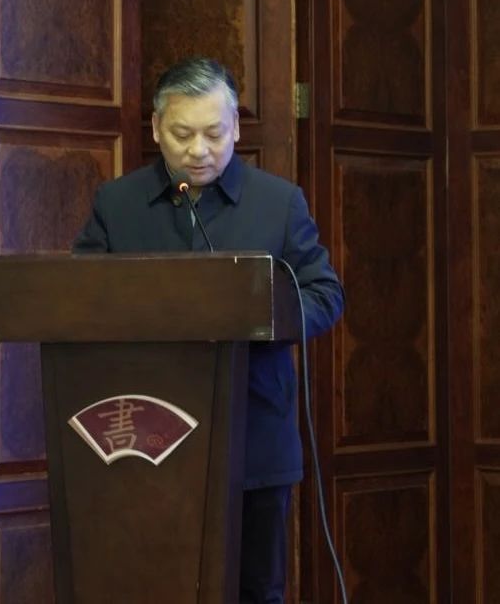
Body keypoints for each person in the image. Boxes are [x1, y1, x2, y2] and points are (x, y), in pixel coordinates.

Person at [73, 57, 344, 604]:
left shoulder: (279, 203)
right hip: (144, 446)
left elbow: (324, 295)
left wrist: (260, 319)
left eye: (214, 134)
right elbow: (77, 299)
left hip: (254, 437)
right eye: (182, 134)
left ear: (237, 128)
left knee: (255, 591)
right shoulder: (117, 204)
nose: (199, 150)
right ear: (156, 129)